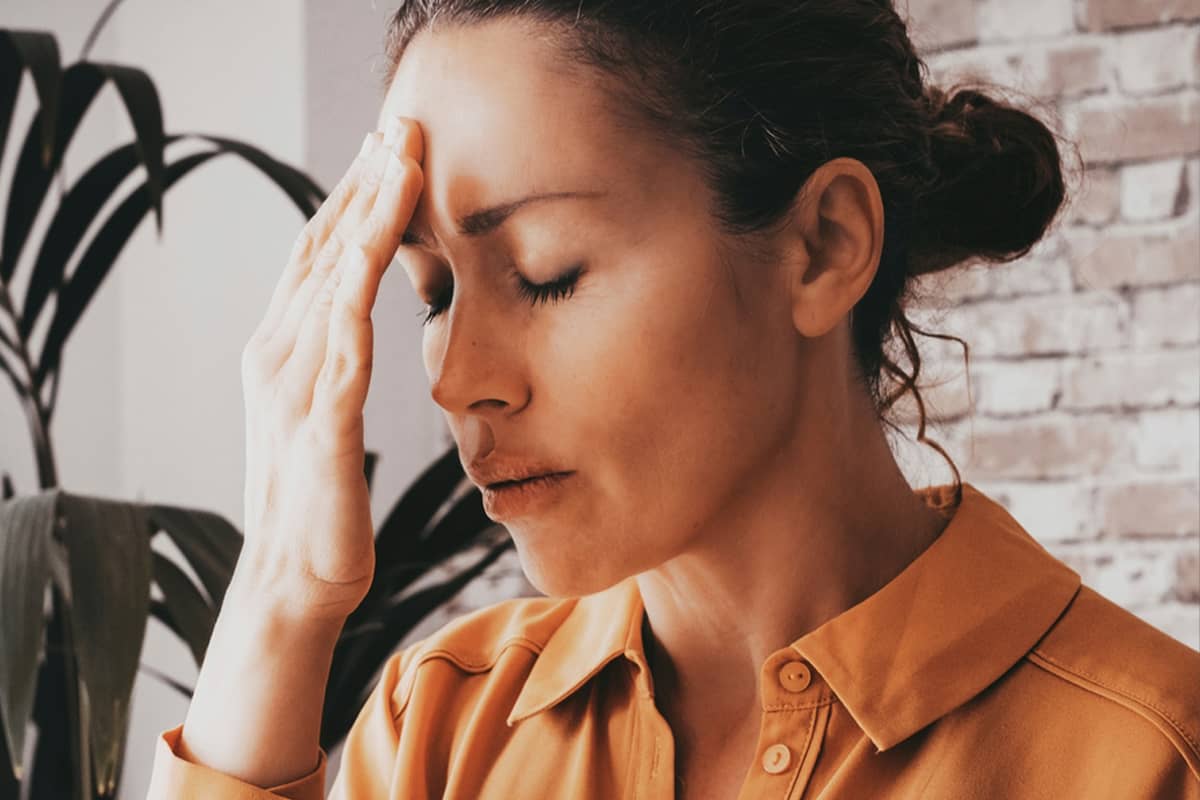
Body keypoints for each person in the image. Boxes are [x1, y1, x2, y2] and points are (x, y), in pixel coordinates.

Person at [147, 2, 1200, 798]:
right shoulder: (443, 731)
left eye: (546, 270)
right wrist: (282, 594)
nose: (454, 374)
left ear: (823, 244)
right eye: (431, 292)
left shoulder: (1153, 753)